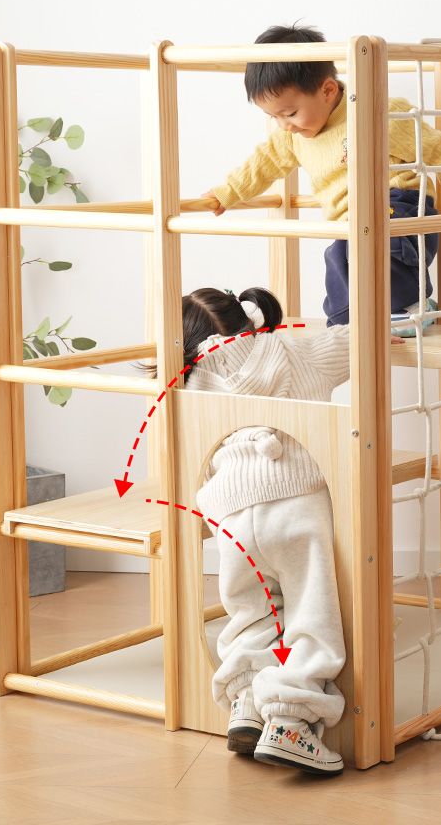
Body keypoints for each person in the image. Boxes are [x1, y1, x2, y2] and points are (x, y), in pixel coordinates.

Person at [202, 23, 441, 334]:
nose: (285, 125)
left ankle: (409, 307)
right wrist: (227, 192)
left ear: (327, 91)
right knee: (338, 262)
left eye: (291, 113)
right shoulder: (291, 138)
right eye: (274, 117)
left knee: (383, 246)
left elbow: (436, 150)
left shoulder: (377, 113)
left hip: (398, 205)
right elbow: (262, 164)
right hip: (348, 224)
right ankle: (347, 324)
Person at [180, 285, 352, 775]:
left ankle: (247, 705)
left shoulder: (189, 377)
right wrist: (393, 327)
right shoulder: (292, 350)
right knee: (311, 612)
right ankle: (291, 721)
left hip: (231, 512)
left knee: (254, 611)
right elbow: (353, 341)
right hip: (295, 502)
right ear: (247, 320)